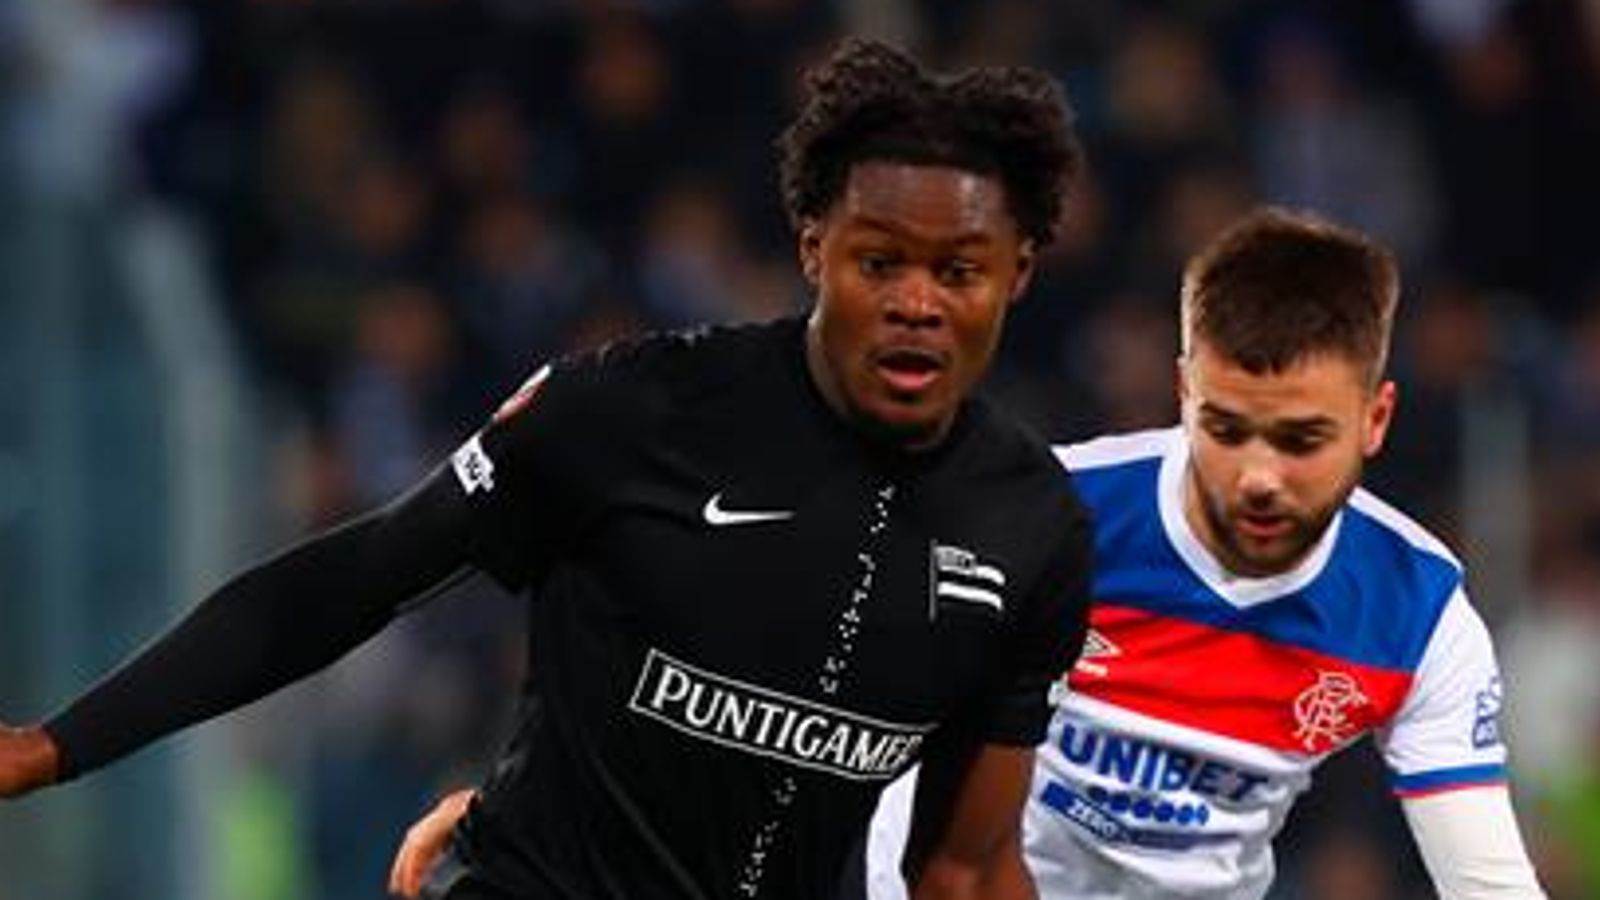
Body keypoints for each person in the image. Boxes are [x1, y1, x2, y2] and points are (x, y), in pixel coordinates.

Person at [0, 38, 1096, 900]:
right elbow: (355, 580)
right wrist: (58, 745)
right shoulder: (631, 409)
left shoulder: (1031, 524)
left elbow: (962, 870)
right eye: (879, 262)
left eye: (959, 271)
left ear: (1020, 273)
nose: (916, 303)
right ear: (813, 246)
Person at [391, 207, 1549, 900]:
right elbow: (752, 640)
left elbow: (1487, 883)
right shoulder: (1040, 517)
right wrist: (545, 804)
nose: (1257, 476)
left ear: (1376, 420)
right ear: (1182, 389)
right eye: (1227, 428)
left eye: (1300, 441)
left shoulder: (1416, 618)